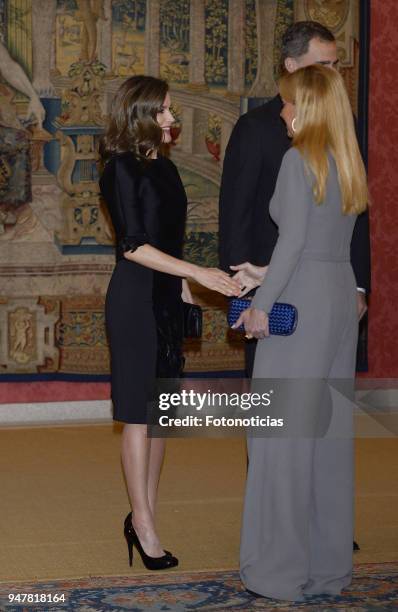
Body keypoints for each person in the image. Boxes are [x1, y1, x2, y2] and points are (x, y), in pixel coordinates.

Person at [233, 65, 368, 601]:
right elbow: (320, 248)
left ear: (308, 107)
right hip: (338, 297)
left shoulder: (297, 161)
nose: (283, 113)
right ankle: (327, 570)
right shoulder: (347, 162)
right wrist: (262, 274)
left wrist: (261, 305)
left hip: (299, 306)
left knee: (281, 438)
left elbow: (290, 245)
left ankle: (279, 573)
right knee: (329, 438)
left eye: (289, 104)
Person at [99, 76, 240, 571]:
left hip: (165, 298)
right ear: (139, 113)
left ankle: (146, 514)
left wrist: (189, 291)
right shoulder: (119, 168)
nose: (171, 118)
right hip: (135, 299)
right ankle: (144, 526)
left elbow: (171, 243)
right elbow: (133, 246)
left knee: (162, 418)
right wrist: (197, 273)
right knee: (139, 415)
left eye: (170, 110)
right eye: (163, 110)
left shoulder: (168, 170)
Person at [219, 21, 370, 377]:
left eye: (335, 64)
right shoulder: (254, 127)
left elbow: (356, 219)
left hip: (313, 288)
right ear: (291, 66)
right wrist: (245, 288)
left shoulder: (341, 128)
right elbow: (235, 214)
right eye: (324, 65)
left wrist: (359, 285)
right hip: (277, 289)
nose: (334, 74)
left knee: (290, 412)